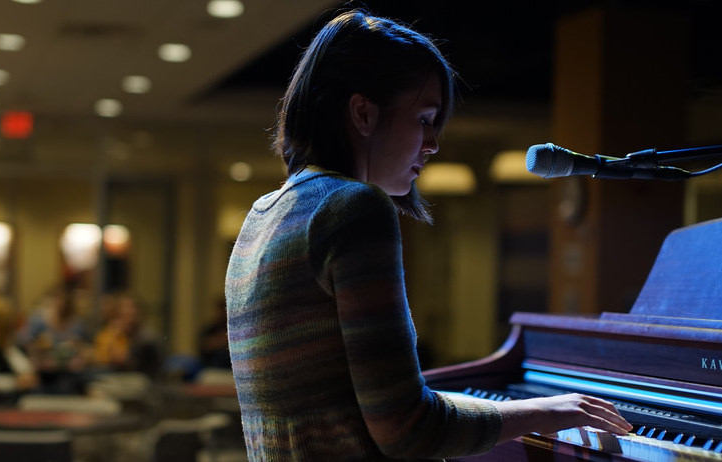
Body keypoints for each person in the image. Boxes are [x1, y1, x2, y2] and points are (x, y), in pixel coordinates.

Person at [223, 9, 632, 461]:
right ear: (363, 112)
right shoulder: (352, 208)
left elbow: (381, 410)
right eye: (424, 119)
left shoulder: (261, 215)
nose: (433, 142)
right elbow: (407, 431)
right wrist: (545, 412)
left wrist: (514, 407)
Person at [17, 286, 92, 394]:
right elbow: (23, 341)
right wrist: (38, 348)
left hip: (70, 372)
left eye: (64, 300)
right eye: (56, 299)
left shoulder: (77, 324)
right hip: (43, 372)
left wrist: (79, 350)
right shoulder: (38, 321)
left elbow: (86, 349)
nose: (60, 303)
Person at [92, 292, 162, 378]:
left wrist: (114, 334)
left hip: (147, 383)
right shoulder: (130, 336)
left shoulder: (145, 337)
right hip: (132, 379)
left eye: (127, 314)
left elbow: (118, 360)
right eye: (121, 314)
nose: (124, 317)